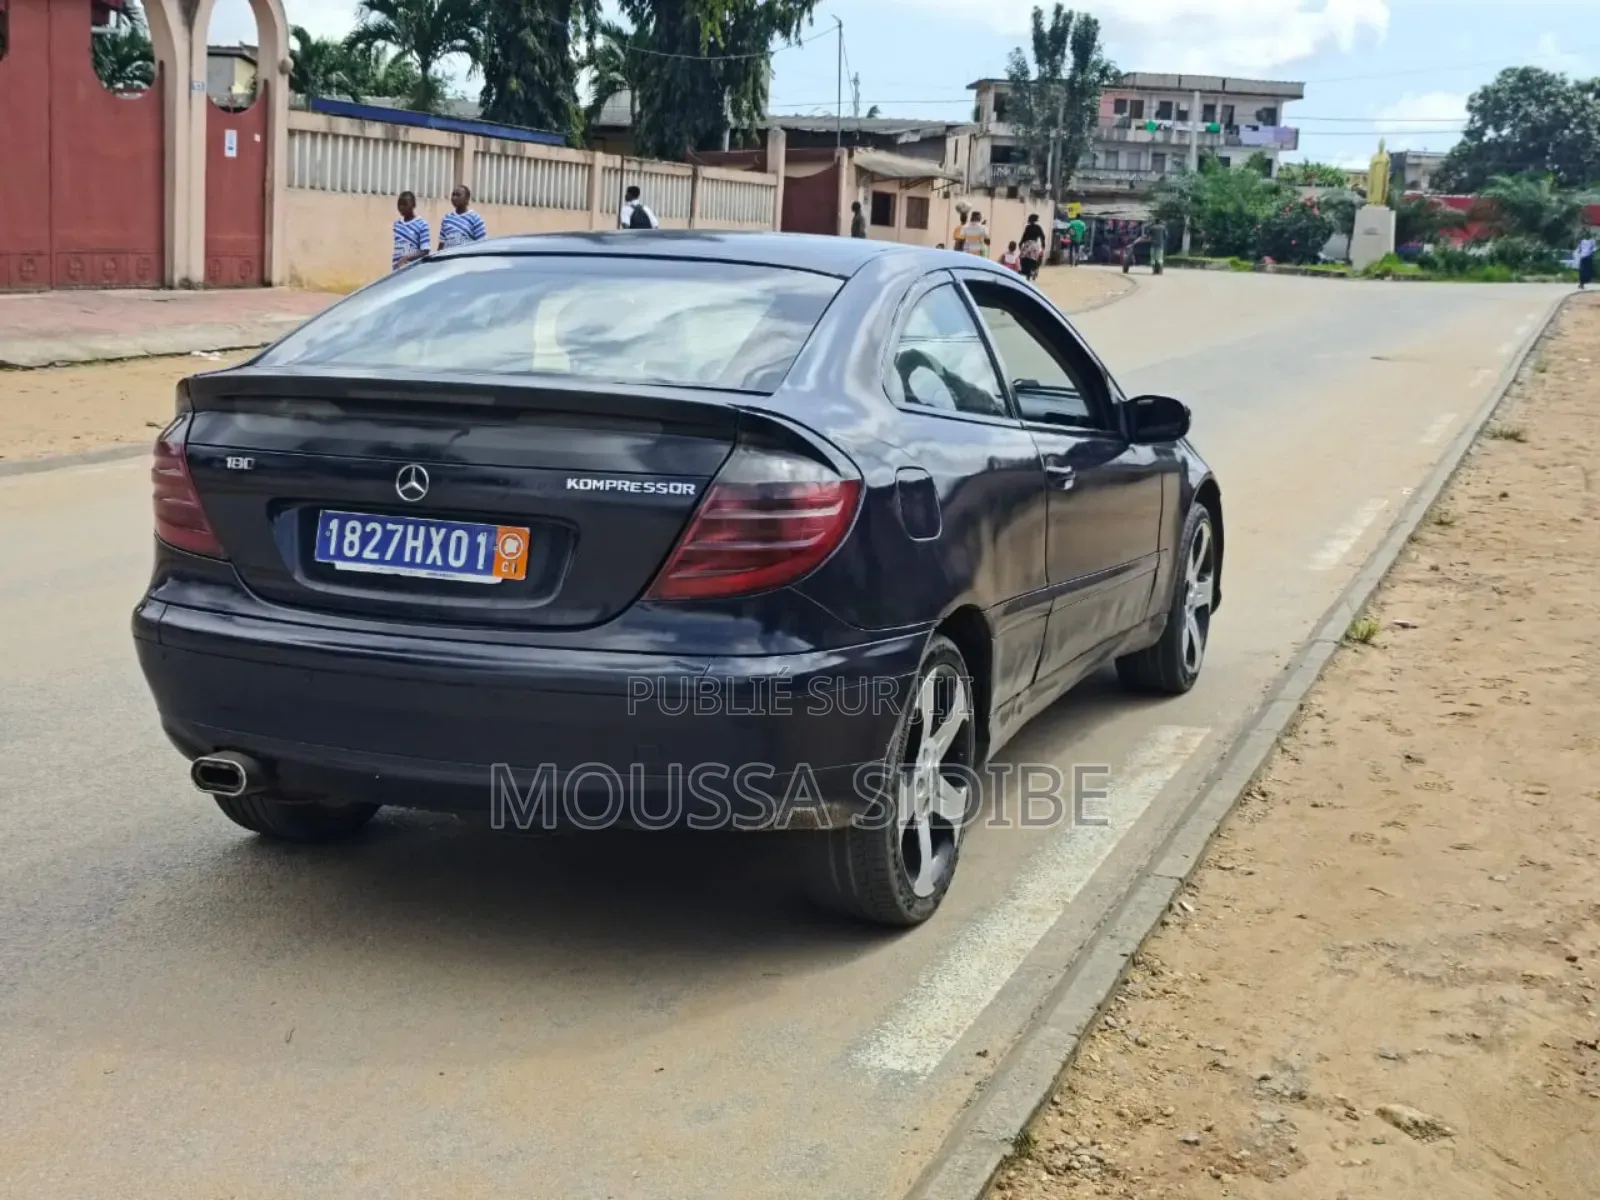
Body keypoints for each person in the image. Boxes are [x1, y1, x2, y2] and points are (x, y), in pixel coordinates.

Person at [437, 185, 486, 249]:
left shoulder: (476, 219)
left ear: (467, 199)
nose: (454, 198)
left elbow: (482, 244)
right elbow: (442, 242)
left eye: (458, 195)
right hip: (448, 257)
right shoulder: (447, 218)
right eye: (453, 194)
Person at [391, 191, 430, 271]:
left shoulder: (422, 224)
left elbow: (425, 251)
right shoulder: (397, 224)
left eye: (405, 204)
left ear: (413, 205)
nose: (401, 207)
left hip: (413, 269)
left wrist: (407, 258)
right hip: (397, 269)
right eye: (399, 204)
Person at [1019, 212, 1047, 280]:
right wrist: (1043, 246)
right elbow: (1042, 237)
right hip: (1034, 245)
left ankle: (1026, 272)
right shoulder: (1038, 227)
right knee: (1035, 259)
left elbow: (1024, 237)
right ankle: (1034, 270)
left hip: (1027, 244)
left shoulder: (1027, 227)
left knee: (1023, 258)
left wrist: (1020, 244)